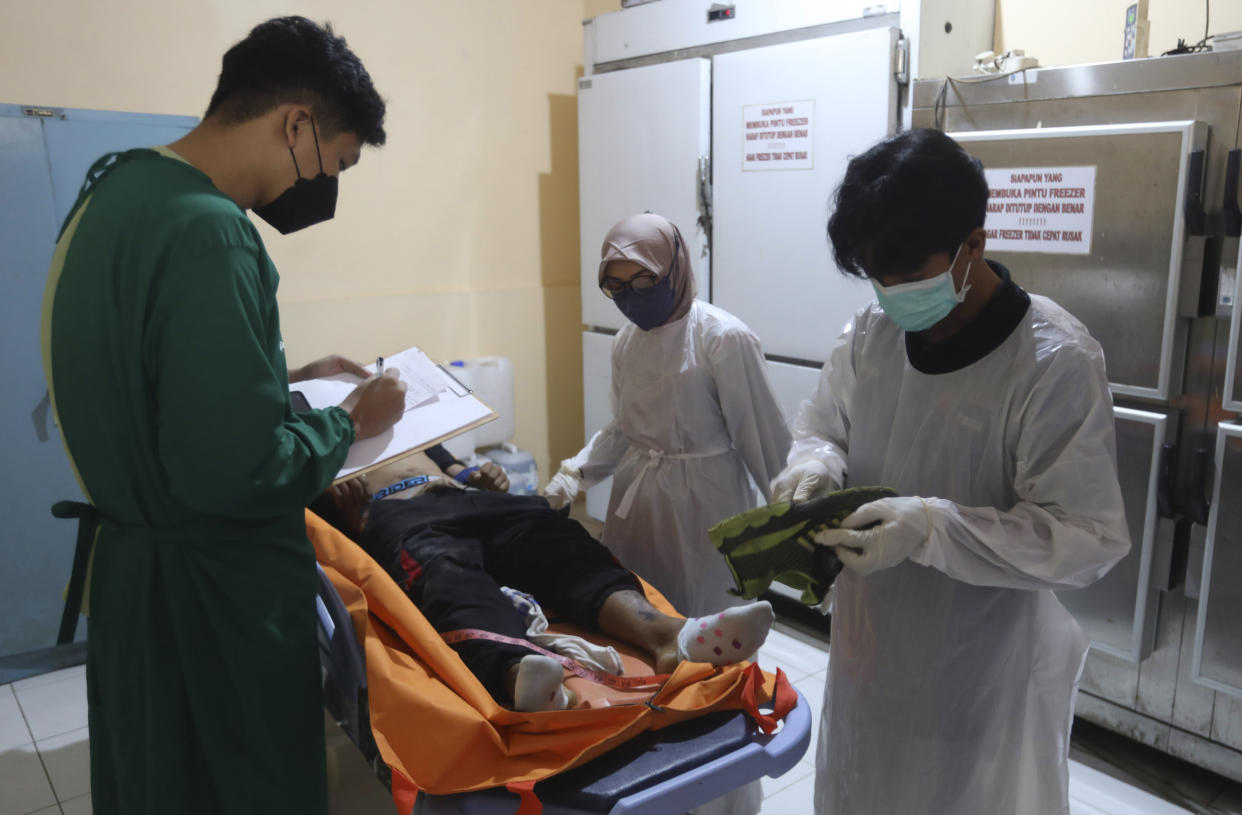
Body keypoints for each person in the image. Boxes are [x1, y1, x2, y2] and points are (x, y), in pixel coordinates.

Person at [40, 17, 405, 815]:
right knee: (235, 782)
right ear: (297, 124)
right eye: (337, 162)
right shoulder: (214, 235)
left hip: (138, 584)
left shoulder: (115, 194)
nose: (329, 186)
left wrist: (281, 376)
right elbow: (237, 471)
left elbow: (148, 379)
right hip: (211, 598)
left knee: (156, 778)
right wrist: (349, 418)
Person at [768, 129, 1131, 815]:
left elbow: (1086, 536)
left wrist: (936, 526)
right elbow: (825, 423)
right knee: (862, 784)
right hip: (869, 640)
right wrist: (814, 463)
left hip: (977, 658)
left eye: (910, 275)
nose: (893, 293)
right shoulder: (870, 336)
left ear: (974, 244)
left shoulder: (1052, 361)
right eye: (880, 277)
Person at [312, 450, 776, 712]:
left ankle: (670, 636)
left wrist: (481, 473)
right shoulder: (319, 440)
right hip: (396, 515)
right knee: (443, 572)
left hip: (472, 499)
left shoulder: (410, 422)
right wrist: (347, 518)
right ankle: (523, 677)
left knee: (558, 536)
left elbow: (459, 466)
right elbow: (319, 527)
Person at [543, 213, 792, 617]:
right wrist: (574, 475)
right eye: (616, 287)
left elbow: (766, 442)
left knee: (711, 621)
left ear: (673, 269)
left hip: (708, 505)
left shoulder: (722, 338)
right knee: (643, 612)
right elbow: (626, 429)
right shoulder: (626, 341)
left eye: (643, 281)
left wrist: (804, 531)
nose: (631, 297)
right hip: (639, 504)